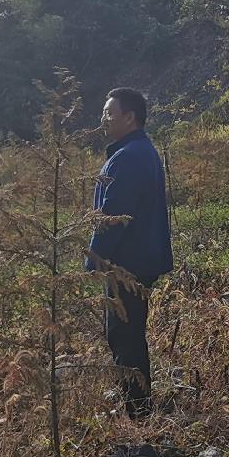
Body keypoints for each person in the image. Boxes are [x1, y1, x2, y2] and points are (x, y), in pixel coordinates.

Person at [85, 87, 172, 418]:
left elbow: (112, 217)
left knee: (124, 338)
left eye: (109, 113)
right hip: (138, 259)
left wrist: (93, 260)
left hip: (129, 263)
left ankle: (137, 413)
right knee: (130, 335)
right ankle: (139, 407)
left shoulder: (130, 157)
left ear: (130, 117)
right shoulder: (138, 151)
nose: (103, 119)